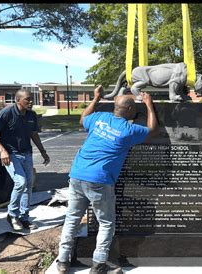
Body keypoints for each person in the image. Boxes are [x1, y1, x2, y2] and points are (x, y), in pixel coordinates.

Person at [56, 85, 158, 274]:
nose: (136, 110)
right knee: (106, 222)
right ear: (128, 110)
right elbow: (152, 129)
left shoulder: (99, 118)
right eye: (134, 107)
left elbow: (82, 119)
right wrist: (149, 105)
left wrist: (95, 99)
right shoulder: (128, 130)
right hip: (99, 180)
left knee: (72, 219)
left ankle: (62, 262)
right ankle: (99, 264)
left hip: (77, 174)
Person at [0, 89, 50, 232]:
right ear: (18, 100)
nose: (30, 102)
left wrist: (43, 151)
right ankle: (12, 215)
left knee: (28, 185)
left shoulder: (32, 115)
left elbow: (33, 134)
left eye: (31, 100)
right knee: (20, 182)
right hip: (11, 154)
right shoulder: (7, 113)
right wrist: (2, 150)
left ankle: (24, 218)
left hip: (26, 154)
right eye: (27, 99)